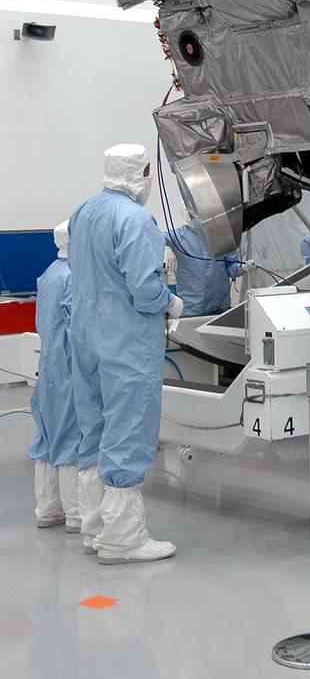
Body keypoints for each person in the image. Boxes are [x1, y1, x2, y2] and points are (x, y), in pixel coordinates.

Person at [69, 144, 184, 564]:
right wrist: (170, 303)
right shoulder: (135, 220)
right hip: (125, 342)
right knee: (128, 427)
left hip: (86, 336)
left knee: (95, 427)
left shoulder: (84, 212)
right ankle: (123, 538)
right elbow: (144, 288)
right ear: (138, 173)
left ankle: (94, 526)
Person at [27, 221, 81, 531]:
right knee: (72, 436)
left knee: (47, 436)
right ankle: (76, 513)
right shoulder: (74, 277)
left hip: (49, 366)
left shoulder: (49, 273)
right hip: (69, 368)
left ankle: (47, 508)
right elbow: (79, 330)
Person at [165, 209, 242, 316]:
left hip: (220, 308)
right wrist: (165, 248)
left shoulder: (220, 236)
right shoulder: (178, 237)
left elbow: (231, 268)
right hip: (192, 310)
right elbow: (153, 237)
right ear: (186, 212)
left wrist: (242, 268)